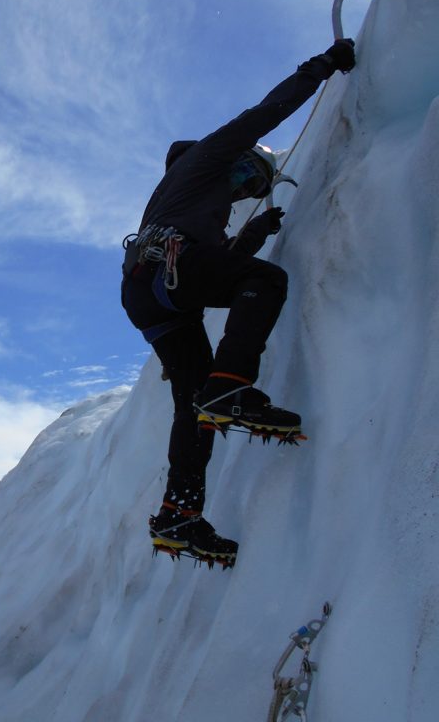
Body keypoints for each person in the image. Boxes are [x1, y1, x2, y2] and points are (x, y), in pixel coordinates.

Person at [121, 38, 357, 567]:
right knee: (266, 282)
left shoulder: (183, 199)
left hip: (148, 291)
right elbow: (263, 114)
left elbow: (214, 265)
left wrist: (256, 231)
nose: (245, 186)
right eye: (248, 175)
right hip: (169, 271)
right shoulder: (206, 158)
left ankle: (178, 514)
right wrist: (320, 67)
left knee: (191, 403)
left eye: (253, 185)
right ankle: (231, 387)